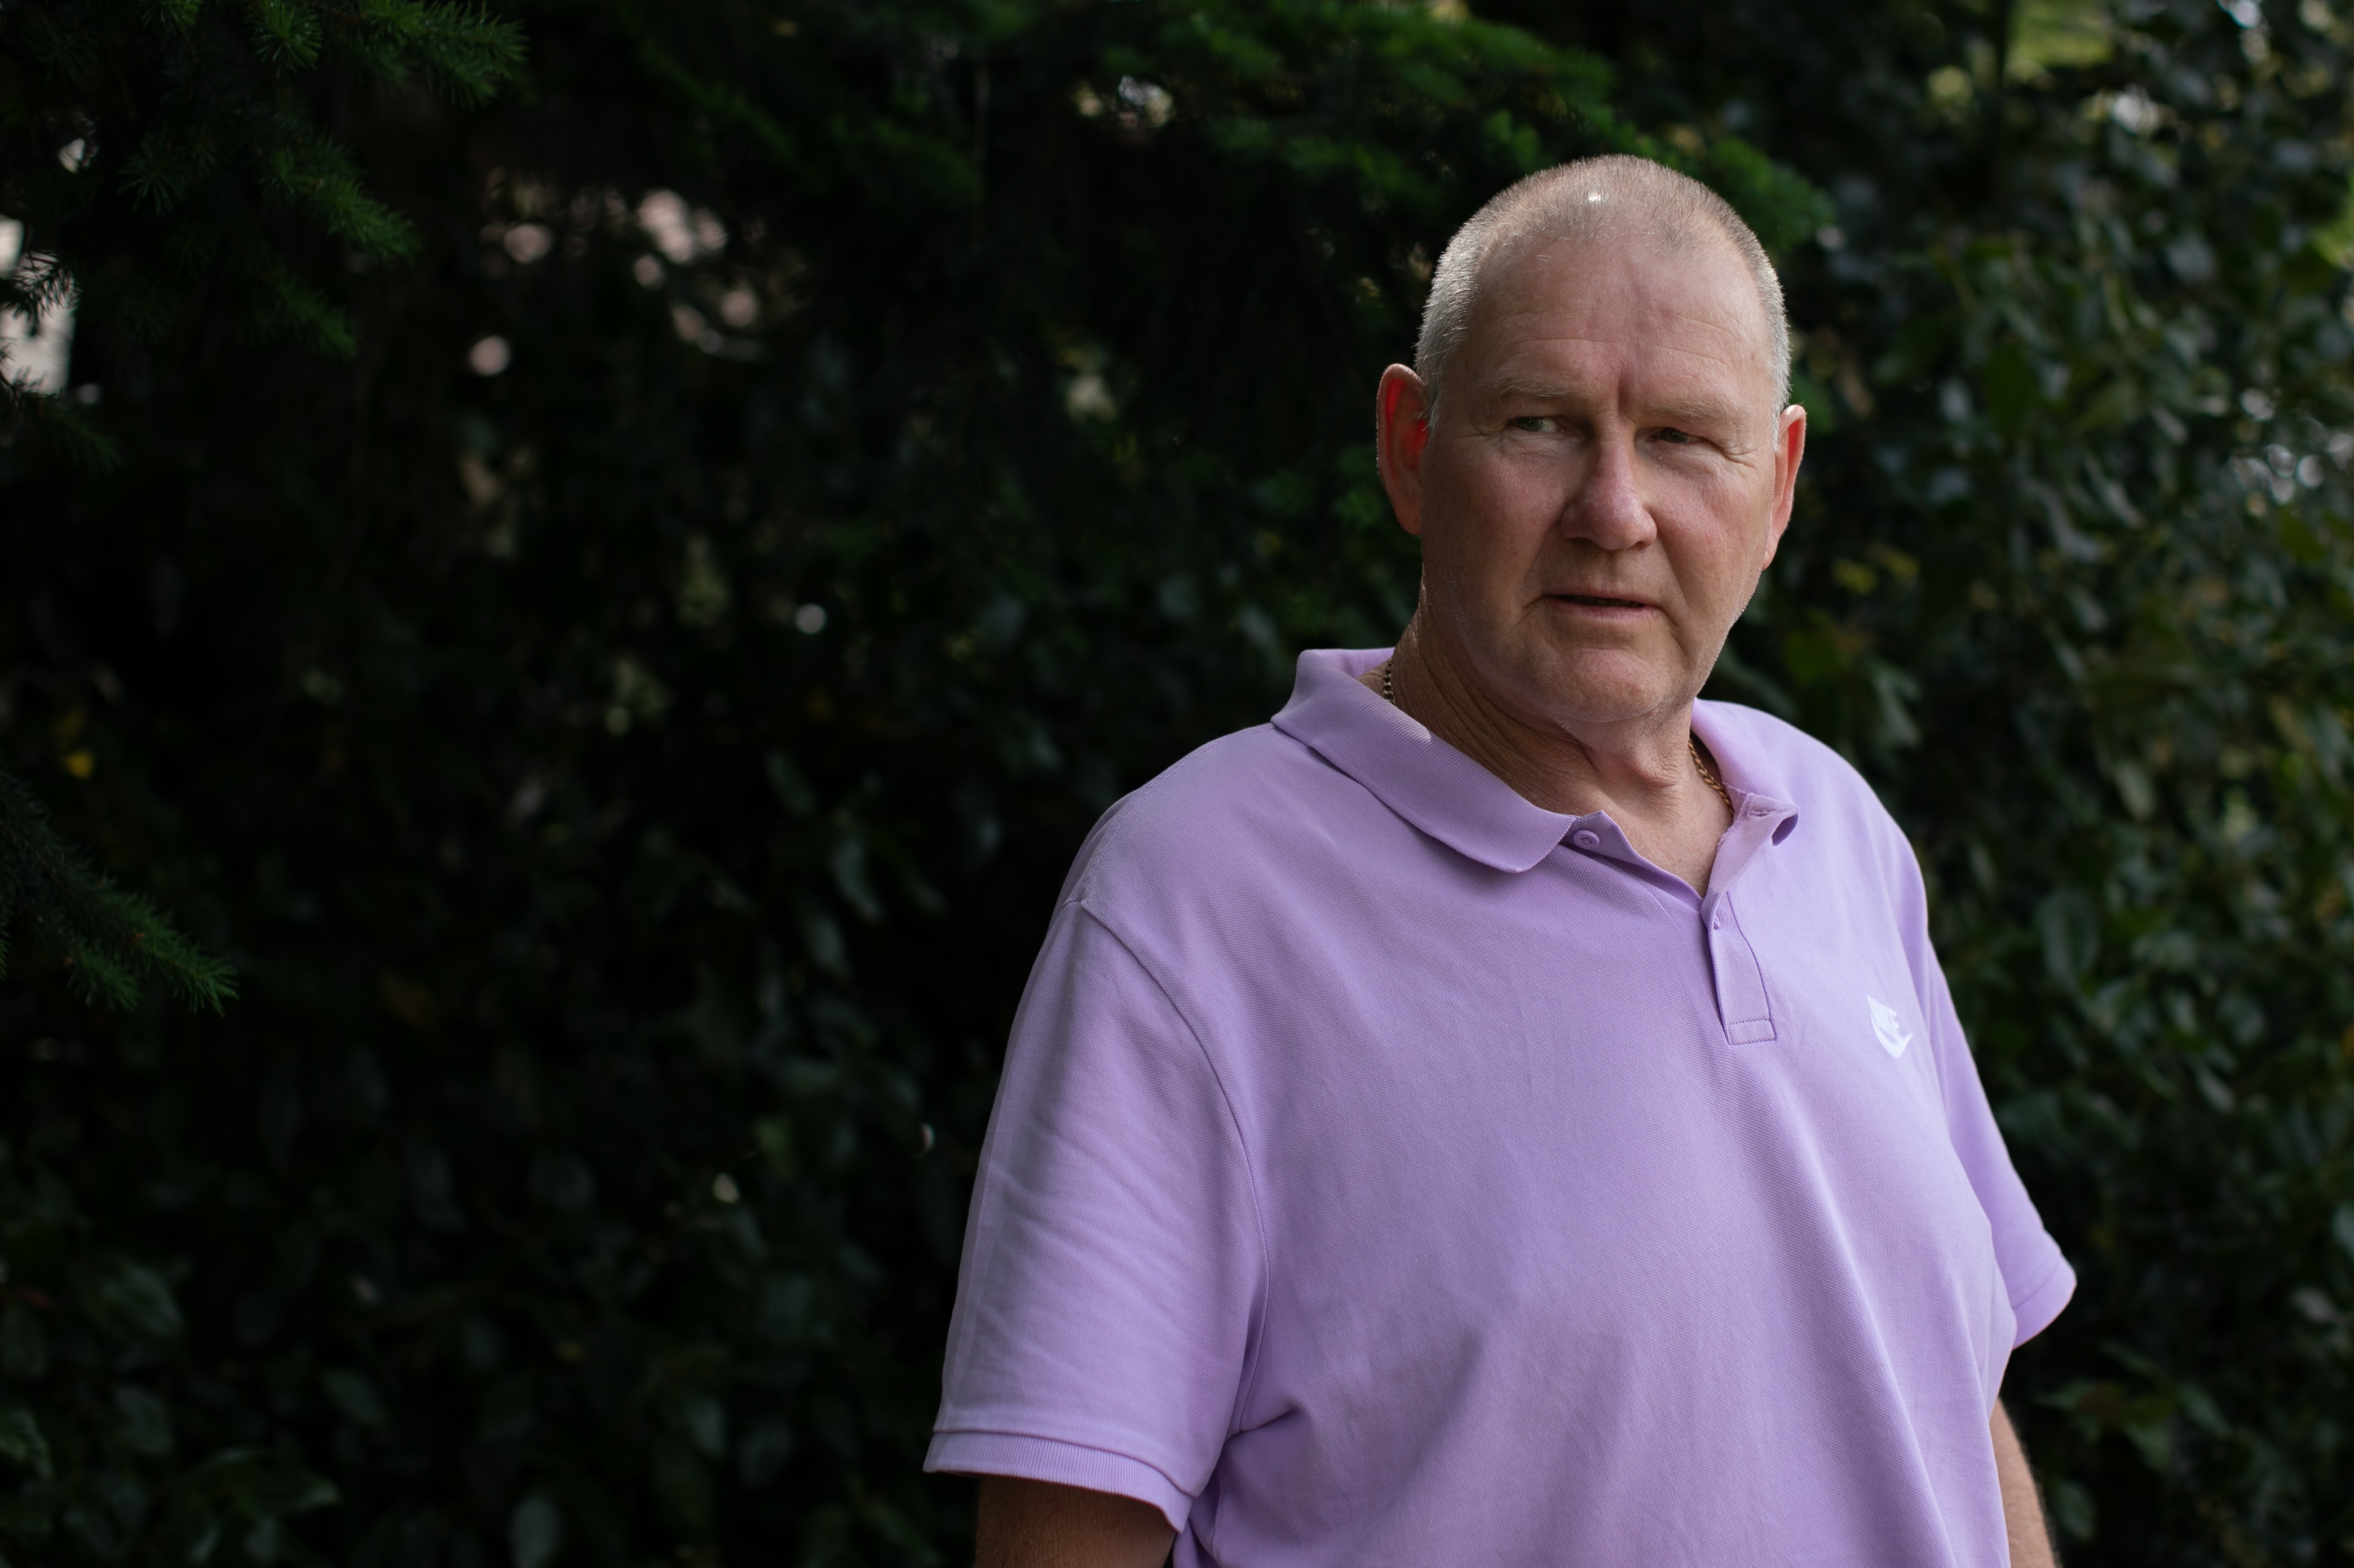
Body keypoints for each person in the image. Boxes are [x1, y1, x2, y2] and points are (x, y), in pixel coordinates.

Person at [926, 154, 2074, 1567]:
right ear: (1411, 448)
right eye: (1541, 424)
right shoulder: (1195, 899)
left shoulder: (1836, 835)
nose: (1614, 510)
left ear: (1776, 486)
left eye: (1680, 439)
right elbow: (1060, 1537)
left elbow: (1949, 1391)